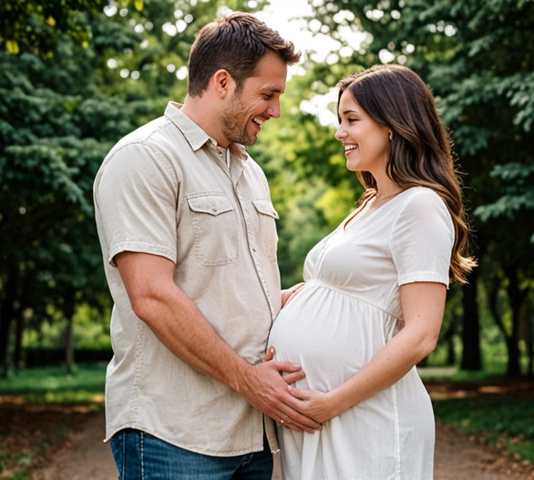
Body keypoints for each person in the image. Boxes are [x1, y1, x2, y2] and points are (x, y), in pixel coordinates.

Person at [94, 12, 320, 480]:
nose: (276, 110)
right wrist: (249, 381)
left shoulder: (249, 171)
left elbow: (218, 288)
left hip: (251, 434)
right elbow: (152, 296)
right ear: (222, 82)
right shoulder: (145, 158)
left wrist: (293, 304)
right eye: (268, 94)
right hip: (172, 434)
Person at [267, 64, 476, 479]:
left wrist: (334, 401)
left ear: (393, 125)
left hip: (364, 417)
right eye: (339, 120)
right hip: (324, 419)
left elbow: (421, 335)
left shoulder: (420, 206)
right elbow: (334, 290)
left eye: (351, 120)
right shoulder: (369, 203)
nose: (339, 133)